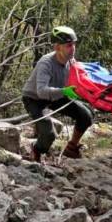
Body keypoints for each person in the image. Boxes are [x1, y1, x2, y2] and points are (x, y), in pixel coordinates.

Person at [22, 26, 93, 162]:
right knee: (49, 134)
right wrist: (64, 91)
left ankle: (71, 148)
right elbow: (41, 91)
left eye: (73, 44)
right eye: (68, 45)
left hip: (56, 95)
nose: (72, 48)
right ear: (57, 47)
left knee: (86, 115)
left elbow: (79, 78)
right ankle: (36, 150)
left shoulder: (71, 61)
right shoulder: (46, 63)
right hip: (34, 99)